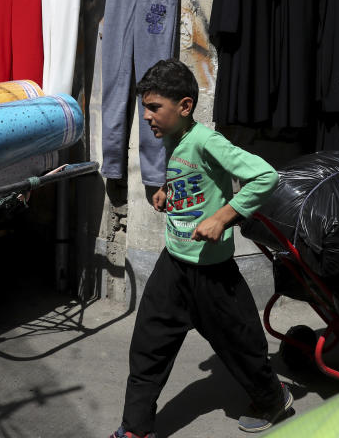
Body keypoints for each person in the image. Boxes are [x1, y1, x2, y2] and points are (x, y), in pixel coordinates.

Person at [109, 58, 292, 438]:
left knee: (241, 345)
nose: (146, 116)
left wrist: (225, 216)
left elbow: (265, 175)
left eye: (154, 107)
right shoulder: (173, 138)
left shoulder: (207, 140)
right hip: (172, 266)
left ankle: (274, 398)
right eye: (145, 106)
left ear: (185, 106)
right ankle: (136, 428)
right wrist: (166, 193)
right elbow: (191, 180)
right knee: (147, 346)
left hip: (213, 274)